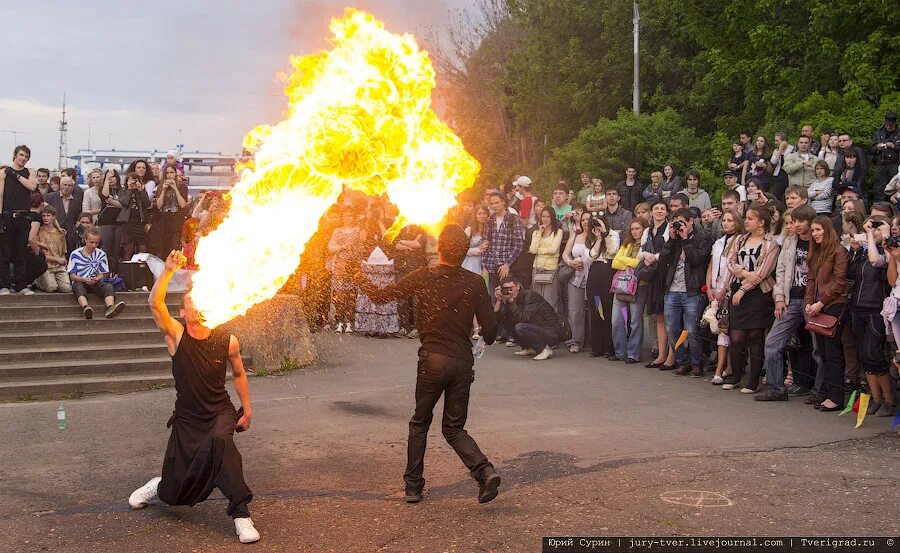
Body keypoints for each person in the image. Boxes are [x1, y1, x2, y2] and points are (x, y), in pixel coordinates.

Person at [353, 224, 502, 503]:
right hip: (460, 362)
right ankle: (484, 471)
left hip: (431, 361)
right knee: (454, 428)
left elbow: (381, 296)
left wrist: (357, 277)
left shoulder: (424, 276)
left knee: (420, 422)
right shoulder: (474, 282)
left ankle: (413, 487)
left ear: (440, 249)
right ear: (463, 252)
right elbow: (491, 331)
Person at [131, 250, 258, 544]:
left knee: (220, 441)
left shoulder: (227, 341)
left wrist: (247, 410)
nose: (198, 305)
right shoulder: (176, 335)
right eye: (191, 301)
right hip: (188, 418)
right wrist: (169, 270)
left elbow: (239, 374)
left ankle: (240, 513)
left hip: (219, 413)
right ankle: (161, 485)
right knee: (176, 493)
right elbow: (154, 302)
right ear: (183, 312)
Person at [756, 205, 817, 401]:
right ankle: (776, 389)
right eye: (793, 221)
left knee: (820, 349)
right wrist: (779, 299)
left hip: (812, 302)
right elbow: (780, 271)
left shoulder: (819, 242)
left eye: (800, 221)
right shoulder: (790, 241)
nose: (796, 225)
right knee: (773, 343)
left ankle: (822, 391)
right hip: (791, 300)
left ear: (810, 222)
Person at [718, 205, 779, 392]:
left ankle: (753, 381)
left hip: (759, 294)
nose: (746, 221)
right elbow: (730, 263)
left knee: (755, 336)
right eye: (746, 218)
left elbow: (762, 274)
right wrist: (734, 283)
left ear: (761, 222)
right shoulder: (740, 240)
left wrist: (743, 285)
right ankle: (736, 376)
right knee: (736, 337)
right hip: (737, 290)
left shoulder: (771, 244)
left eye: (750, 218)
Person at [847, 217, 895, 417]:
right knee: (865, 356)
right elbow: (851, 274)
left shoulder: (887, 251)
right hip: (858, 307)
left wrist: (876, 236)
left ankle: (889, 401)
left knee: (874, 354)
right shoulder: (864, 252)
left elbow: (876, 262)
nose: (872, 231)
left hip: (876, 308)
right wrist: (857, 250)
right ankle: (876, 399)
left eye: (876, 228)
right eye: (870, 228)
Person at [660, 208, 713, 377]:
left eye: (682, 221)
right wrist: (671, 239)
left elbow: (698, 259)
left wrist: (685, 240)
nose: (679, 225)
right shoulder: (674, 239)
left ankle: (697, 363)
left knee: (691, 330)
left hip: (693, 291)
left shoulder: (703, 238)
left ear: (691, 221)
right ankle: (683, 361)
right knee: (671, 329)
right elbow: (663, 259)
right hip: (672, 290)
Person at [804, 216, 849, 411]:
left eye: (818, 230)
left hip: (833, 305)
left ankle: (837, 397)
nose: (815, 234)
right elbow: (811, 280)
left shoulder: (839, 251)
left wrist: (821, 303)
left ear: (828, 230)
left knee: (833, 353)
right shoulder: (816, 252)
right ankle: (830, 393)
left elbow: (839, 282)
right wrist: (809, 303)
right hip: (817, 306)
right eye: (813, 231)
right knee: (822, 353)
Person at [706, 209, 744, 385]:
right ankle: (726, 367)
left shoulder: (740, 242)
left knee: (724, 330)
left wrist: (724, 290)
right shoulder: (718, 242)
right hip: (715, 289)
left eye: (730, 220)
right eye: (724, 220)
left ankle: (720, 369)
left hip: (728, 290)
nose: (726, 223)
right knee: (718, 329)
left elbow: (733, 269)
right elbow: (712, 266)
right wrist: (708, 288)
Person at [0, 145, 39, 295]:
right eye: (21, 155)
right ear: (15, 155)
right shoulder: (4, 173)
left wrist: (15, 174)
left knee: (21, 252)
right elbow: (1, 195)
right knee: (5, 252)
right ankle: (4, 285)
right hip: (8, 216)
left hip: (24, 216)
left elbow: (32, 186)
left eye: (26, 156)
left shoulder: (30, 171)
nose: (23, 158)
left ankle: (21, 285)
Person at [611, 218, 649, 363]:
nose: (634, 231)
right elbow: (615, 262)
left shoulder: (646, 245)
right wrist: (631, 264)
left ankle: (633, 353)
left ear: (644, 229)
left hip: (639, 286)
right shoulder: (627, 243)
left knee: (635, 321)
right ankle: (620, 352)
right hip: (621, 286)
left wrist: (625, 262)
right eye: (632, 229)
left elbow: (641, 264)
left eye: (637, 228)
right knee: (617, 320)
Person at [67, 226, 126, 319]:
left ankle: (110, 307)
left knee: (108, 286)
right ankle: (86, 307)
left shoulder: (101, 254)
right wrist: (84, 279)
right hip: (81, 281)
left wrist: (97, 278)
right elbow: (72, 276)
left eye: (96, 243)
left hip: (95, 282)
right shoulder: (75, 254)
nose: (94, 245)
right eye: (91, 242)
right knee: (78, 286)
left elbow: (103, 273)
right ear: (85, 240)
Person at [584, 213, 620, 358]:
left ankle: (609, 347)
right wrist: (598, 239)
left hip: (608, 272)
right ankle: (597, 347)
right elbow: (591, 256)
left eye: (600, 223)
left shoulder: (613, 235)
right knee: (595, 308)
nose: (597, 227)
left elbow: (612, 252)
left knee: (607, 309)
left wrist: (605, 234)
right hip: (595, 272)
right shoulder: (592, 236)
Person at [641, 201, 671, 369]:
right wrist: (646, 255)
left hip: (665, 276)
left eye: (662, 209)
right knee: (658, 316)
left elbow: (669, 249)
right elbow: (640, 251)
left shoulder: (668, 229)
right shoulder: (647, 231)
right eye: (656, 209)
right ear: (651, 212)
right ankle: (661, 354)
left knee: (669, 317)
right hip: (652, 275)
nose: (659, 211)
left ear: (667, 212)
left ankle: (672, 356)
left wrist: (656, 257)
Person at [328, 209, 366, 333]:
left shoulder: (358, 230)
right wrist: (342, 247)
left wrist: (355, 247)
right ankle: (339, 321)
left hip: (353, 265)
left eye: (350, 215)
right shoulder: (337, 231)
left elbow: (362, 246)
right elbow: (330, 247)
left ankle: (349, 322)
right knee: (340, 294)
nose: (347, 218)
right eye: (345, 216)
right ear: (342, 217)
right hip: (339, 265)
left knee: (351, 294)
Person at [483, 192, 524, 295]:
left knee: (507, 297)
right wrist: (484, 265)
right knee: (492, 298)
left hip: (506, 266)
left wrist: (507, 264)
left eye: (496, 203)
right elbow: (486, 242)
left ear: (503, 202)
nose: (494, 206)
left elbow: (518, 244)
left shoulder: (513, 219)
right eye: (491, 203)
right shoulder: (489, 220)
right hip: (491, 266)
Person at [150, 164, 189, 257]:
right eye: (167, 173)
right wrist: (163, 190)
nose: (169, 175)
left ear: (175, 174)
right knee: (163, 246)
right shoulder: (160, 186)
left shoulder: (182, 187)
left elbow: (183, 204)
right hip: (164, 219)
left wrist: (175, 189)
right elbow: (159, 206)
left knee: (175, 245)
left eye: (171, 172)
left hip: (176, 219)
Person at [529, 207, 563, 310]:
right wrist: (540, 232)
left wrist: (540, 251)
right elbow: (533, 249)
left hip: (550, 269)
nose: (545, 219)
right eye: (543, 216)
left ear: (552, 217)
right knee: (536, 299)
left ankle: (552, 324)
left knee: (550, 300)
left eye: (548, 216)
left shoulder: (558, 232)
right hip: (537, 267)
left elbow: (553, 249)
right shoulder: (536, 233)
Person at [34, 204, 72, 293]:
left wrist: (63, 262)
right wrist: (56, 259)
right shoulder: (39, 232)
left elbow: (63, 252)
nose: (45, 218)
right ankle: (37, 282)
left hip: (59, 266)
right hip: (46, 265)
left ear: (54, 217)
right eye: (43, 216)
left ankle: (53, 281)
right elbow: (40, 254)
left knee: (66, 288)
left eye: (48, 215)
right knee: (51, 287)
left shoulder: (60, 233)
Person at [118, 172, 152, 261]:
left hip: (140, 223)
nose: (133, 182)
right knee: (128, 250)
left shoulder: (141, 191)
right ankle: (127, 272)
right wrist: (129, 189)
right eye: (131, 180)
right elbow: (125, 202)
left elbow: (147, 204)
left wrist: (140, 189)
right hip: (128, 224)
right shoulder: (122, 192)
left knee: (142, 249)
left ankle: (141, 270)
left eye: (135, 180)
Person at [97, 169, 123, 274]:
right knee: (106, 249)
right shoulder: (102, 189)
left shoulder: (122, 191)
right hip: (105, 222)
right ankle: (104, 273)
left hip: (119, 223)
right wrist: (106, 179)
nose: (111, 179)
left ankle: (115, 273)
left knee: (117, 250)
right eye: (109, 177)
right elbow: (105, 195)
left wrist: (112, 201)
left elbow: (122, 205)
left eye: (113, 177)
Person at [872, 112, 900, 203]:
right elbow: (872, 149)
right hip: (881, 163)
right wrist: (878, 147)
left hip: (895, 163)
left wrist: (894, 146)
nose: (888, 127)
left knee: (894, 187)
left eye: (891, 125)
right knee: (879, 188)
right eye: (887, 124)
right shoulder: (878, 133)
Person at [463, 204, 488, 277]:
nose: (482, 216)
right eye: (479, 214)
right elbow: (463, 249)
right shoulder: (469, 230)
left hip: (485, 263)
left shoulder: (490, 229)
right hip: (470, 262)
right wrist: (479, 250)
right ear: (475, 215)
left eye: (484, 213)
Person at [770, 132, 795, 200]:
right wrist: (780, 150)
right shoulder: (776, 150)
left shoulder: (792, 149)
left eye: (777, 141)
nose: (775, 143)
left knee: (789, 195)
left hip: (789, 174)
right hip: (779, 174)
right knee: (776, 195)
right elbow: (773, 162)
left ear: (784, 141)